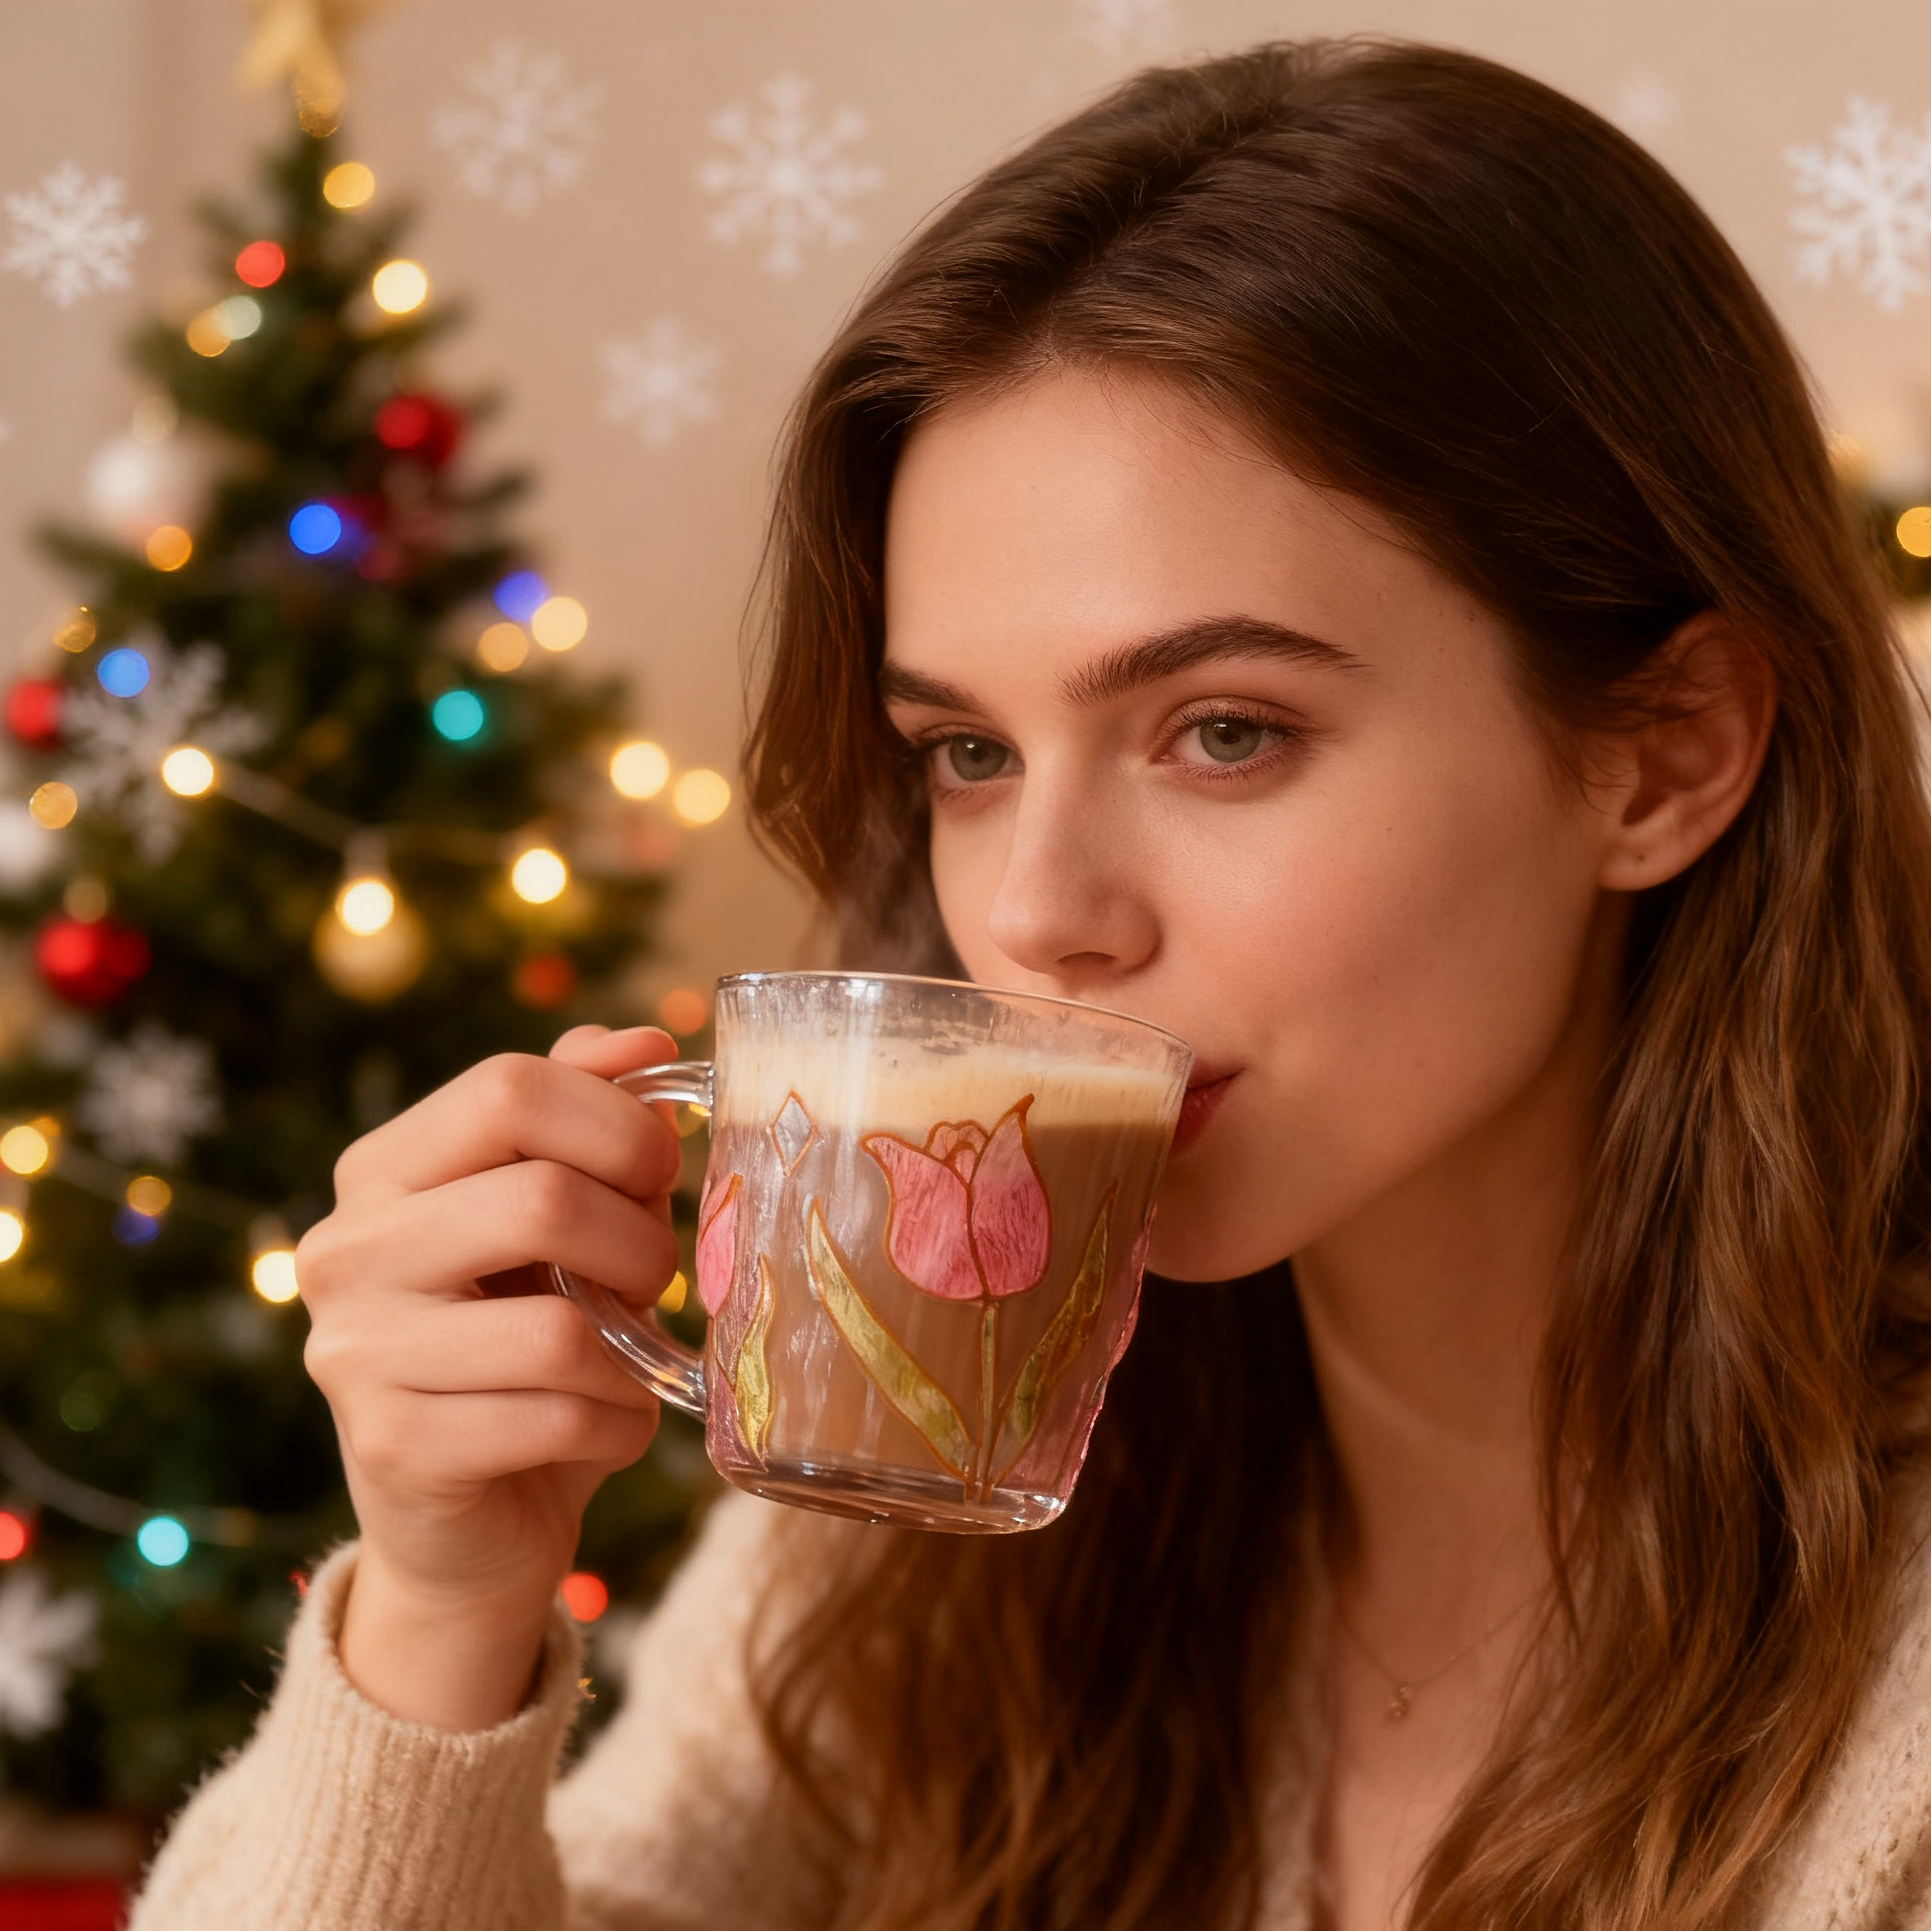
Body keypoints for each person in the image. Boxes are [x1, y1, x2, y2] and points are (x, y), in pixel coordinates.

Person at [129, 36, 1931, 1931]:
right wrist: (434, 1614)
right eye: (969, 754)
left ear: (1661, 752)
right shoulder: (923, 1512)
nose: (1043, 914)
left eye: (1223, 730)